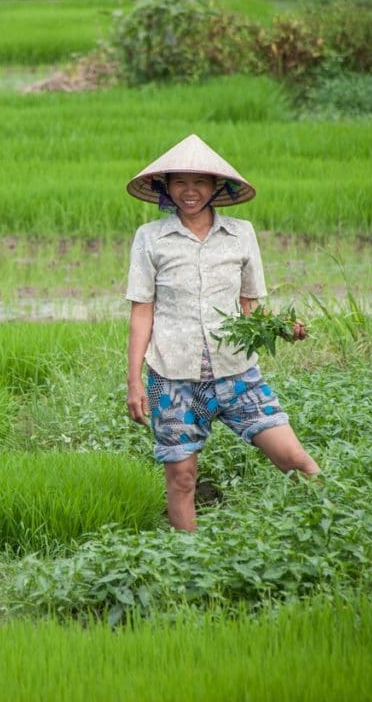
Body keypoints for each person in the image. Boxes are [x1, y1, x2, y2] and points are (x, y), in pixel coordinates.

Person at [124, 134, 320, 532]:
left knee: (295, 460)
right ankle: (190, 564)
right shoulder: (150, 238)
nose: (189, 192)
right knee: (181, 479)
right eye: (180, 182)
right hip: (171, 377)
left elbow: (251, 305)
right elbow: (142, 311)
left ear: (217, 187)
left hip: (237, 373)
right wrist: (133, 381)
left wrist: (281, 328)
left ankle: (335, 528)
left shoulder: (241, 233)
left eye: (200, 183)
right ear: (166, 187)